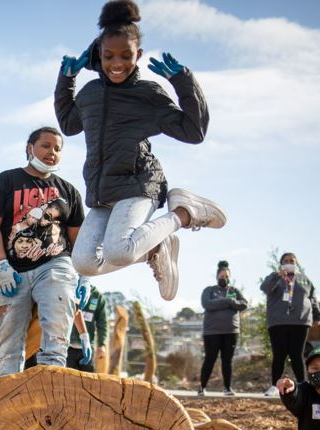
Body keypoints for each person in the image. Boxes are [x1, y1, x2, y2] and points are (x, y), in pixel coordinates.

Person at [54, 0, 226, 303]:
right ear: (99, 54)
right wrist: (66, 79)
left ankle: (184, 214)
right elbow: (68, 124)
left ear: (139, 55)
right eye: (108, 56)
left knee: (118, 250)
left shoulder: (147, 95)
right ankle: (156, 248)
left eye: (125, 55)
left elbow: (193, 131)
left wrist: (183, 81)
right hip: (102, 191)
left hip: (138, 183)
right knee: (83, 262)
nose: (116, 63)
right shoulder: (90, 94)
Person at [0, 127, 85, 377]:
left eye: (57, 149)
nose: (52, 152)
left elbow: (76, 238)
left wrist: (84, 275)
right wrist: (1, 264)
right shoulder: (5, 181)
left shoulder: (68, 191)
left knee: (57, 329)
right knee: (10, 338)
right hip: (11, 270)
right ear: (30, 148)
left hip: (54, 264)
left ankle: (51, 383)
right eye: (46, 146)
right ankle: (10, 392)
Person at [261, 252, 320, 396]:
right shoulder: (274, 277)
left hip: (300, 321)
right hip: (278, 322)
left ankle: (302, 385)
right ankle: (275, 386)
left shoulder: (304, 280)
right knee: (279, 354)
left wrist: (317, 314)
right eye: (286, 261)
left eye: (292, 261)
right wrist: (278, 275)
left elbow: (312, 297)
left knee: (297, 354)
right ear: (281, 264)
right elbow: (264, 288)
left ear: (296, 264)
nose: (289, 263)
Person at [198, 260, 247, 395]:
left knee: (227, 360)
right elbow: (207, 304)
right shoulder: (209, 290)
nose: (224, 278)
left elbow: (243, 304)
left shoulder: (234, 291)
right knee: (210, 359)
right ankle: (202, 387)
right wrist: (228, 302)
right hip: (212, 332)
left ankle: (227, 388)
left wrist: (231, 302)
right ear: (217, 277)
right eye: (221, 276)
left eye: (226, 276)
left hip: (231, 331)